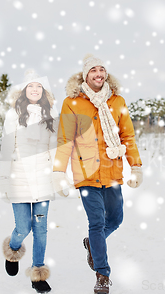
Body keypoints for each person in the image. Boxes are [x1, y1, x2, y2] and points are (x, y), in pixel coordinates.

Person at [52, 54, 143, 294]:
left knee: (115, 219)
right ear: (85, 75)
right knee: (96, 222)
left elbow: (128, 137)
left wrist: (135, 166)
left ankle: (92, 244)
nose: (98, 74)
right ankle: (102, 275)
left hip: (113, 172)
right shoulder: (71, 103)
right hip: (86, 173)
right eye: (93, 70)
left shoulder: (117, 101)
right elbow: (64, 140)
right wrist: (59, 172)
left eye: (102, 70)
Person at [0, 69, 66, 294]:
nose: (35, 89)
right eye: (31, 86)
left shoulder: (51, 115)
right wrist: (4, 179)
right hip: (19, 178)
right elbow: (6, 149)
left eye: (39, 86)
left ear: (44, 91)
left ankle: (38, 273)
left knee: (41, 229)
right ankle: (13, 248)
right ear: (24, 91)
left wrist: (59, 174)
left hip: (43, 180)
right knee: (23, 226)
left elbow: (55, 148)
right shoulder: (13, 114)